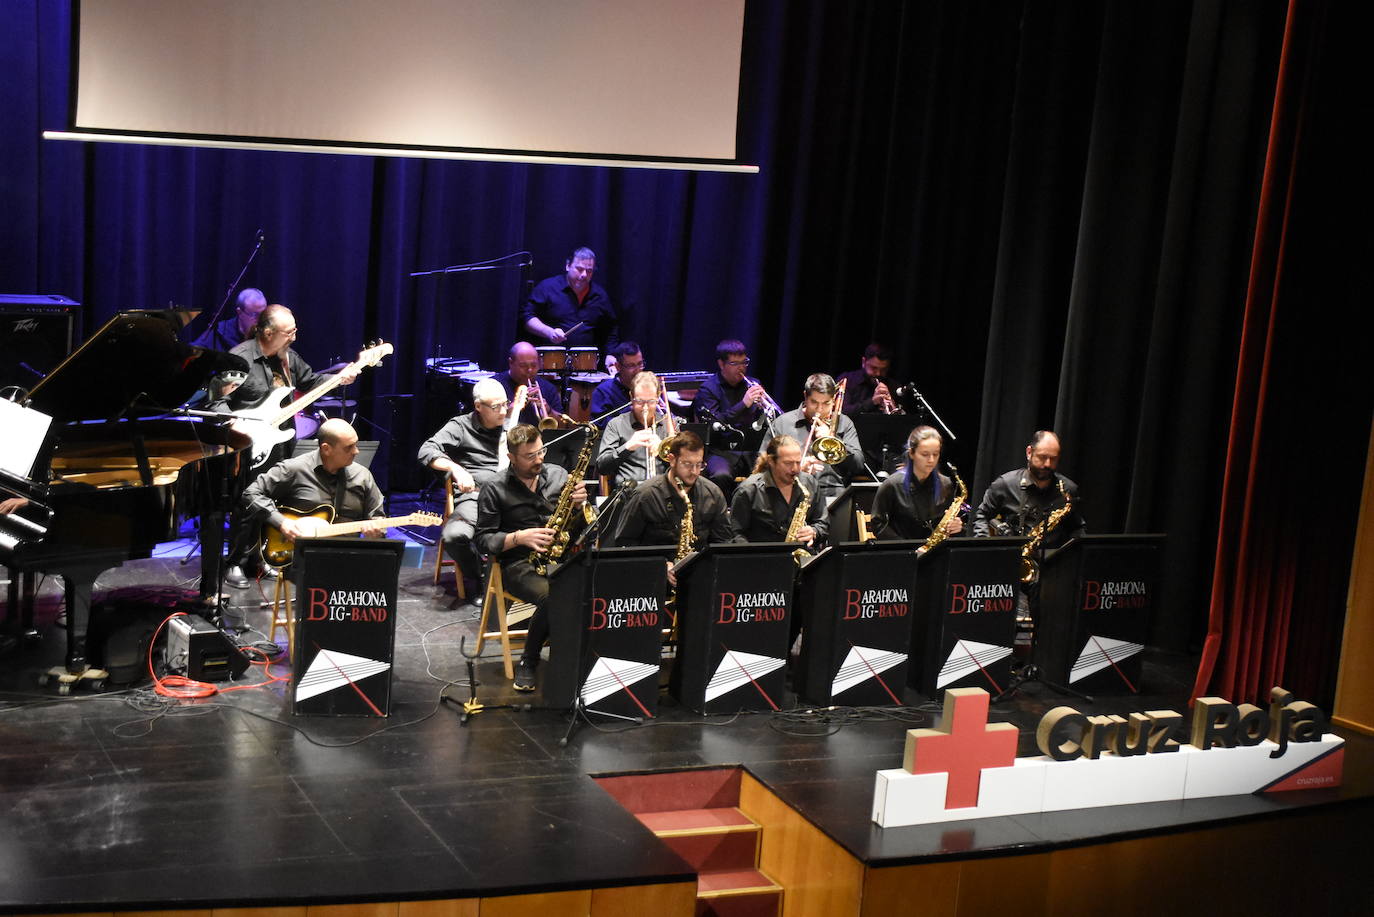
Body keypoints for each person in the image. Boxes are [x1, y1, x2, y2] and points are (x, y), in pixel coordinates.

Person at [212, 304, 360, 587]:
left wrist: (340, 380)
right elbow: (217, 402)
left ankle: (260, 559)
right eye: (288, 332)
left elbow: (313, 381)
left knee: (276, 501)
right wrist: (234, 425)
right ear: (267, 333)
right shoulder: (239, 359)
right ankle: (235, 562)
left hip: (281, 443)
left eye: (294, 330)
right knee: (248, 502)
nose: (294, 336)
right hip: (249, 447)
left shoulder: (288, 359)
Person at [474, 423, 589, 692]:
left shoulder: (559, 476)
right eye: (529, 456)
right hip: (518, 563)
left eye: (541, 452)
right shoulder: (494, 488)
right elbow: (482, 541)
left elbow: (582, 525)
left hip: (561, 556)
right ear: (511, 457)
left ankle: (579, 661)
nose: (538, 459)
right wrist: (519, 537)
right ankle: (529, 660)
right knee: (554, 597)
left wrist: (582, 505)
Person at [417, 377, 511, 593]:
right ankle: (480, 576)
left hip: (512, 498)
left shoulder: (512, 425)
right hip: (475, 498)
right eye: (496, 407)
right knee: (454, 536)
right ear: (478, 406)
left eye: (505, 404)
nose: (503, 411)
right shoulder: (460, 426)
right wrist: (456, 469)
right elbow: (427, 450)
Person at [608, 431, 734, 587]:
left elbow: (723, 543)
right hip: (652, 581)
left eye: (699, 464)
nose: (694, 471)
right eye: (687, 464)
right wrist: (660, 565)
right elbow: (624, 544)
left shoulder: (712, 493)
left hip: (700, 581)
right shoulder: (645, 495)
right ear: (672, 460)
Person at [241, 418, 388, 549]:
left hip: (348, 556)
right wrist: (282, 523)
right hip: (301, 556)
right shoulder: (294, 469)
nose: (356, 451)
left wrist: (376, 532)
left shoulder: (362, 475)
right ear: (326, 449)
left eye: (356, 444)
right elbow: (251, 493)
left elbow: (377, 517)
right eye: (349, 447)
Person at [757, 373, 863, 506]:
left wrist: (832, 439)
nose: (820, 409)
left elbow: (858, 464)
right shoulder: (783, 423)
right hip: (790, 491)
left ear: (834, 400)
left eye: (826, 403)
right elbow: (762, 466)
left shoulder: (844, 423)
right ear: (805, 396)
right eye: (814, 402)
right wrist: (796, 468)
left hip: (831, 494)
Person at [691, 339, 778, 496]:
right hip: (720, 451)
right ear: (721, 364)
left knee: (773, 471)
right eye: (734, 363)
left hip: (749, 449)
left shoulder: (752, 384)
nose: (741, 368)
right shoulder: (708, 389)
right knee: (721, 475)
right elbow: (713, 424)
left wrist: (763, 412)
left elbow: (761, 422)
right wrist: (743, 404)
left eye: (744, 362)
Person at [973, 430, 1085, 545]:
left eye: (1053, 458)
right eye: (1042, 457)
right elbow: (982, 516)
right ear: (1029, 452)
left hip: (1053, 559)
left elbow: (1077, 528)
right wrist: (984, 548)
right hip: (1013, 557)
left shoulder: (1068, 490)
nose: (1047, 464)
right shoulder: (1005, 484)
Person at [521, 246, 621, 364]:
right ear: (568, 266)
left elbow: (610, 329)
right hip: (549, 364)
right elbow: (526, 317)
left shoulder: (599, 295)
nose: (584, 274)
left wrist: (610, 354)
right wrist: (549, 332)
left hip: (587, 366)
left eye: (589, 271)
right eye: (579, 269)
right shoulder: (547, 288)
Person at [729, 435, 827, 549]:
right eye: (788, 463)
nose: (795, 469)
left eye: (798, 462)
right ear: (771, 461)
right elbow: (735, 533)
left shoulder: (810, 483)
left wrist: (814, 531)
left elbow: (823, 523)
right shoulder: (748, 490)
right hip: (761, 559)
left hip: (802, 557)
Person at [871, 426, 966, 542]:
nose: (931, 460)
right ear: (911, 453)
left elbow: (948, 523)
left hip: (936, 552)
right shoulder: (892, 485)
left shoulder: (945, 484)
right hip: (902, 554)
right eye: (925, 454)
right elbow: (878, 524)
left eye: (935, 454)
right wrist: (907, 549)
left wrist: (956, 526)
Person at [595, 371, 679, 492]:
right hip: (628, 495)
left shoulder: (670, 425)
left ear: (657, 397)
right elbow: (602, 467)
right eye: (639, 401)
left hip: (663, 495)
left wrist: (662, 451)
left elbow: (682, 469)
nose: (645, 407)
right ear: (631, 397)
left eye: (650, 401)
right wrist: (627, 447)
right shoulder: (616, 425)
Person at [491, 342, 565, 429]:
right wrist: (514, 407)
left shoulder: (548, 388)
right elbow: (487, 422)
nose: (529, 370)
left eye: (534, 365)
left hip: (538, 440)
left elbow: (562, 426)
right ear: (511, 363)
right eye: (523, 366)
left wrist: (548, 410)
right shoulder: (494, 385)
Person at [191, 288, 268, 351]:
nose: (260, 319)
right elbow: (193, 351)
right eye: (254, 315)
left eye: (263, 314)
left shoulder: (267, 333)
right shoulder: (221, 331)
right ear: (240, 312)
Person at [589, 341, 645, 425]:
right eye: (631, 366)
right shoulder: (603, 392)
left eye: (640, 364)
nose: (637, 370)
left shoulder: (647, 387)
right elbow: (598, 425)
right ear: (618, 366)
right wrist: (629, 412)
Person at [836, 342, 899, 417]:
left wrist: (893, 407)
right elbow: (841, 411)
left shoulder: (893, 385)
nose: (878, 373)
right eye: (874, 368)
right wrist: (872, 402)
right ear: (863, 362)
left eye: (883, 370)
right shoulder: (847, 380)